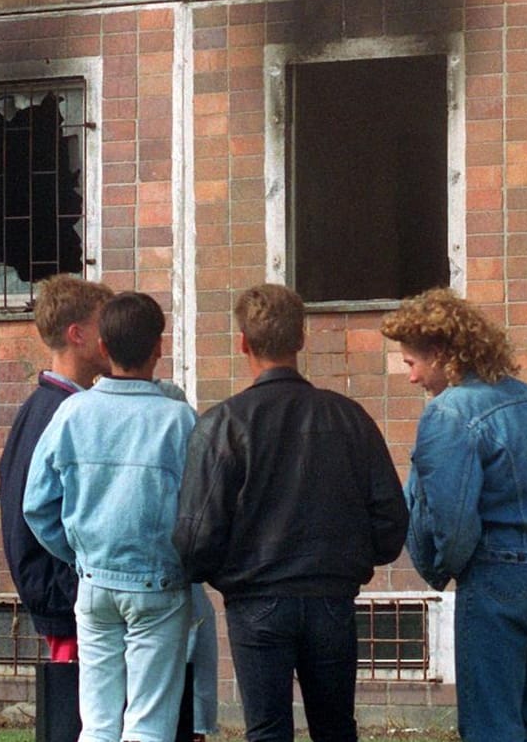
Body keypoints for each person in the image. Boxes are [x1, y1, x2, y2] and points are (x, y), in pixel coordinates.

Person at [173, 283, 408, 742]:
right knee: (337, 728)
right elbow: (390, 521)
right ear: (302, 338)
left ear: (242, 342)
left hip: (255, 599)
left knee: (266, 731)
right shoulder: (349, 417)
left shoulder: (223, 424)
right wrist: (352, 561)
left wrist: (220, 573)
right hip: (331, 597)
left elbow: (196, 537)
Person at [380, 288, 527, 742]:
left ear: (439, 355)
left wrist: (447, 567)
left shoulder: (449, 413)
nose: (410, 377)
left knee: (488, 726)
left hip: (497, 574)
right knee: (518, 718)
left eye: (411, 363)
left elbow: (452, 518)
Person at [25, 291, 197, 742]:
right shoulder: (180, 420)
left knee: (97, 723)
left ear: (102, 348)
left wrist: (79, 554)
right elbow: (202, 509)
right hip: (158, 582)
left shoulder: (71, 412)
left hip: (94, 581)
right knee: (149, 723)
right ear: (159, 347)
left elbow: (36, 506)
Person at [0, 275, 113, 663]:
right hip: (68, 603)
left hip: (63, 598)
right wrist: (78, 583)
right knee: (83, 718)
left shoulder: (43, 407)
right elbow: (34, 512)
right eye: (104, 325)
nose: (112, 336)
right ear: (77, 334)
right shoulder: (61, 413)